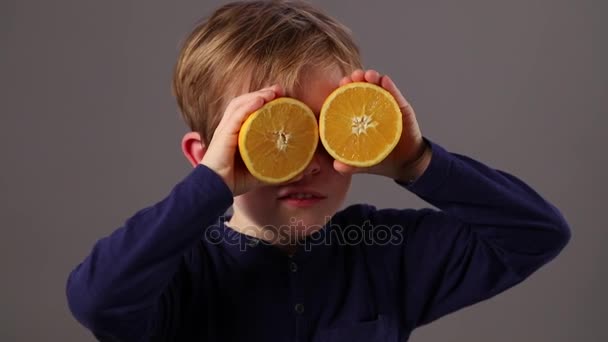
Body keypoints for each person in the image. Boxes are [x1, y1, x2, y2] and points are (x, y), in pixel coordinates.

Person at [65, 1, 571, 341]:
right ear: (205, 154)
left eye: (324, 132)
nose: (307, 163)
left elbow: (537, 234)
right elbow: (97, 300)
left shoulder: (386, 253)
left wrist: (417, 161)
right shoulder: (180, 272)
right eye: (275, 134)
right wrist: (211, 187)